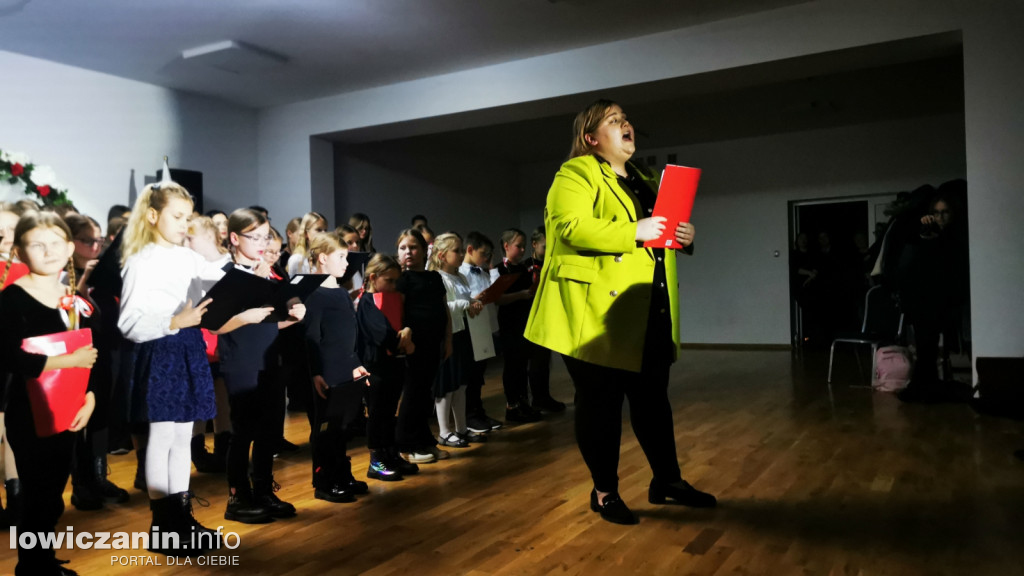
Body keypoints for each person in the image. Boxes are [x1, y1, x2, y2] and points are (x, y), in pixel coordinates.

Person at [524, 99, 716, 525]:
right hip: (592, 314)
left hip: (647, 308)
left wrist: (683, 235)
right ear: (591, 138)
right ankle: (604, 492)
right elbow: (568, 228)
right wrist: (635, 230)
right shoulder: (575, 172)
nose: (626, 124)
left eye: (627, 119)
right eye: (614, 121)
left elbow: (658, 235)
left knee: (653, 403)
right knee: (600, 407)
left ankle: (667, 481)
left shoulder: (646, 179)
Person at [118, 181, 238, 554]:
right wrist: (175, 322)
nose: (185, 224)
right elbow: (128, 322)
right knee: (163, 436)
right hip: (161, 349)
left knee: (184, 435)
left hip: (188, 346)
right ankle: (163, 524)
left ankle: (182, 516)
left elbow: (223, 281)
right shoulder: (141, 259)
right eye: (177, 216)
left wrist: (214, 251)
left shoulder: (187, 257)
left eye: (189, 217)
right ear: (152, 215)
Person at [0, 211, 98, 575]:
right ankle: (32, 566)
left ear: (70, 248)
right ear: (21, 252)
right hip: (30, 409)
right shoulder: (11, 299)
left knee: (54, 493)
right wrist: (66, 360)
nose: (49, 250)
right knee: (36, 494)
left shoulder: (72, 298)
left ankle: (41, 560)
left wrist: (90, 398)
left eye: (56, 243)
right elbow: (10, 356)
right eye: (37, 245)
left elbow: (91, 355)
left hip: (69, 407)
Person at [218, 209, 306, 523]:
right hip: (241, 359)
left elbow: (270, 320)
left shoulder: (269, 271)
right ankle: (237, 497)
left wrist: (293, 310)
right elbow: (216, 324)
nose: (260, 243)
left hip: (271, 357)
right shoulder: (225, 272)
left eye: (265, 236)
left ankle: (264, 490)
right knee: (243, 431)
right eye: (253, 237)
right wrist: (247, 313)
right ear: (234, 238)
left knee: (269, 429)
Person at [303, 232, 371, 503]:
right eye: (341, 257)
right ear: (322, 259)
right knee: (326, 428)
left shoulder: (341, 294)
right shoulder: (314, 294)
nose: (347, 262)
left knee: (343, 426)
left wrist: (356, 364)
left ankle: (341, 473)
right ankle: (324, 479)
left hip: (345, 368)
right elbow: (311, 337)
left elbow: (349, 334)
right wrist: (316, 372)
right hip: (327, 372)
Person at [356, 254, 417, 480]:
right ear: (373, 277)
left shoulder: (392, 299)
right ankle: (376, 460)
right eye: (389, 281)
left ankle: (390, 453)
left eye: (395, 281)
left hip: (393, 363)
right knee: (377, 413)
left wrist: (408, 331)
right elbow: (383, 336)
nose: (393, 286)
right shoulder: (367, 302)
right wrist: (404, 338)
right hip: (375, 366)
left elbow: (403, 324)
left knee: (390, 411)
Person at [394, 229, 451, 463]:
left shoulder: (434, 277)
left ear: (424, 250)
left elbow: (444, 309)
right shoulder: (401, 280)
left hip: (433, 342)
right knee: (413, 394)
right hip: (413, 345)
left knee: (425, 394)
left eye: (413, 247)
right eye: (403, 248)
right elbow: (398, 313)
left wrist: (448, 339)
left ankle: (425, 440)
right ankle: (406, 445)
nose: (408, 252)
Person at [429, 233, 486, 448]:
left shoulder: (459, 276)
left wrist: (472, 304)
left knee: (462, 384)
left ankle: (461, 428)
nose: (462, 254)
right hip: (447, 335)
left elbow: (463, 302)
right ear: (442, 255)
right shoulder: (438, 277)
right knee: (447, 385)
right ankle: (444, 431)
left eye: (463, 250)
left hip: (462, 333)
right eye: (457, 251)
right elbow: (442, 308)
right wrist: (465, 304)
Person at [459, 231, 503, 433]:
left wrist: (492, 268)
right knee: (471, 375)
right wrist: (476, 298)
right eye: (483, 254)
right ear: (470, 250)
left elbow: (496, 291)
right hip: (470, 330)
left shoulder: (484, 272)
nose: (486, 258)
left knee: (479, 375)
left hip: (485, 328)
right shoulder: (461, 274)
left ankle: (479, 411)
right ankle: (470, 416)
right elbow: (461, 300)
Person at [286, 212, 328, 277]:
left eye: (325, 230)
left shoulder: (325, 256)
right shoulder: (297, 259)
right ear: (306, 233)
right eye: (319, 230)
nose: (324, 234)